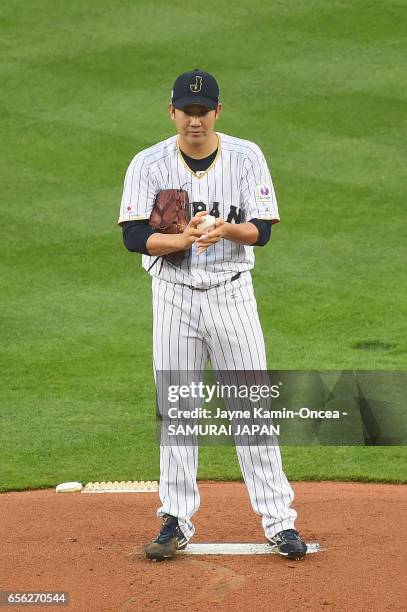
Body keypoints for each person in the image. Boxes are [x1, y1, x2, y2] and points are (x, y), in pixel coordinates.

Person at [118, 69, 307, 561]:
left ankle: (279, 521)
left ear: (217, 112)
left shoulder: (246, 156)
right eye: (187, 111)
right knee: (178, 409)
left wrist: (227, 230)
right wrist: (180, 241)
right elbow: (134, 235)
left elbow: (263, 229)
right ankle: (175, 520)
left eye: (203, 112)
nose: (194, 121)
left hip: (232, 295)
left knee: (251, 406)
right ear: (172, 111)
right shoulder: (148, 163)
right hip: (174, 296)